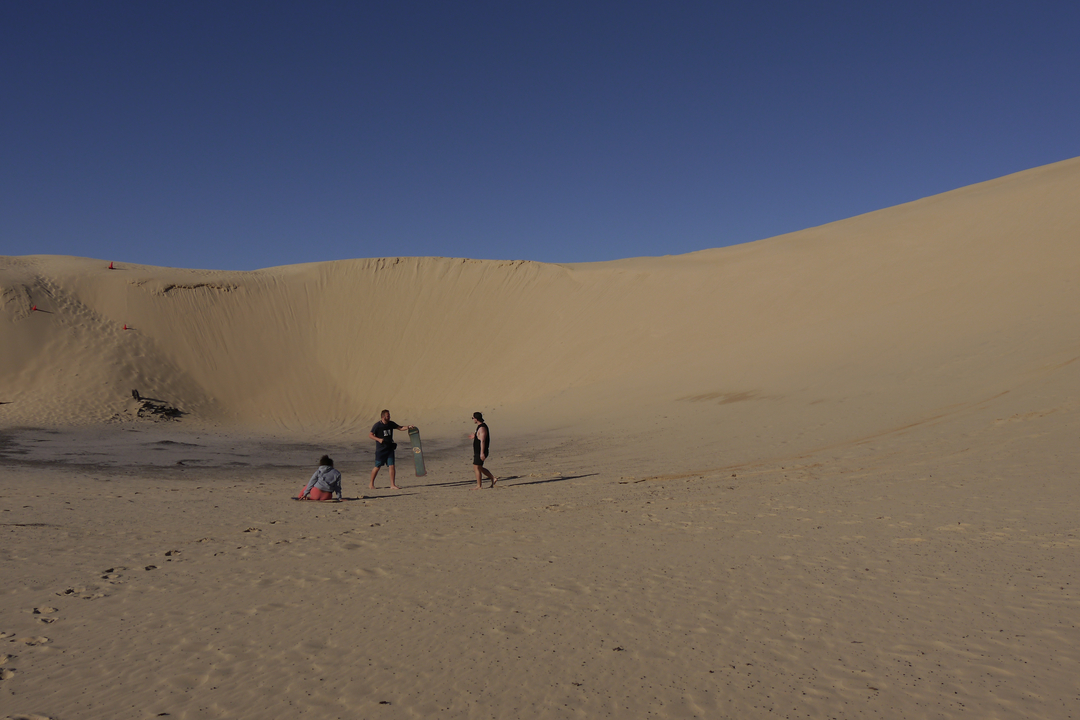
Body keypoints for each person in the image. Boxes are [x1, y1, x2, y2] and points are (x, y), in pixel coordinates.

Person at [369, 409, 414, 490]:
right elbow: (370, 435)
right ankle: (371, 484)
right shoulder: (377, 425)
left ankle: (392, 485)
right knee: (377, 466)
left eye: (389, 415)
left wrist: (408, 427)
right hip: (381, 450)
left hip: (390, 448)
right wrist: (378, 439)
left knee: (392, 466)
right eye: (387, 416)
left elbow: (400, 428)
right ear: (383, 417)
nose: (389, 417)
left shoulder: (391, 423)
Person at [470, 411, 498, 489]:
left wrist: (482, 453)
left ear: (476, 419)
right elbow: (479, 437)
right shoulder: (480, 426)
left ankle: (479, 485)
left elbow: (482, 441)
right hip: (478, 451)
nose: (472, 419)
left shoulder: (482, 428)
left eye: (473, 418)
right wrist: (474, 436)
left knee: (476, 467)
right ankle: (493, 478)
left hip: (480, 451)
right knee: (479, 467)